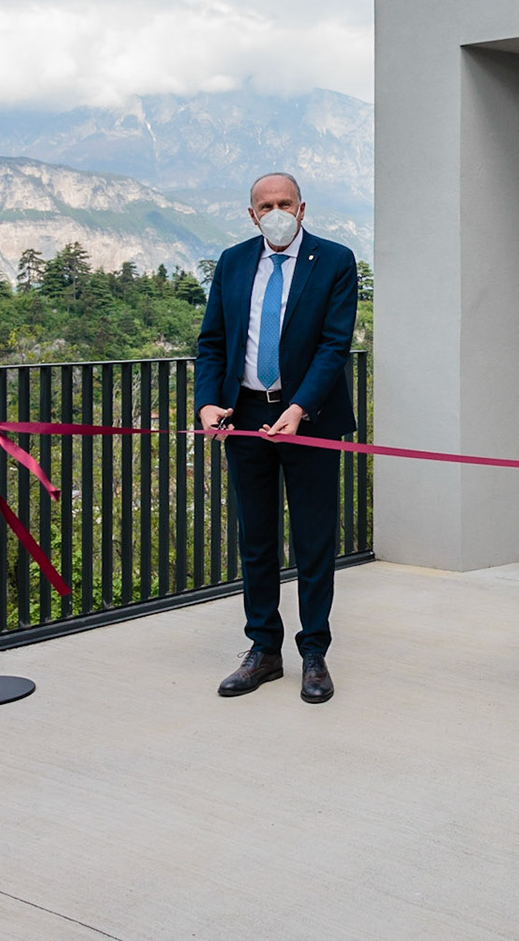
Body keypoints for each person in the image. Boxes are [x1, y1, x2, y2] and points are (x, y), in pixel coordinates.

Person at [195, 173, 359, 704]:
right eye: (265, 206)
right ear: (252, 215)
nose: (276, 212)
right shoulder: (233, 262)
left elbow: (334, 346)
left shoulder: (335, 261)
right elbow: (212, 342)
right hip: (243, 416)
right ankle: (264, 649)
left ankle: (314, 653)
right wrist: (206, 402)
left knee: (313, 540)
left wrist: (298, 407)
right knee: (257, 539)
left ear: (302, 208)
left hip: (309, 419)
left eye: (285, 203)